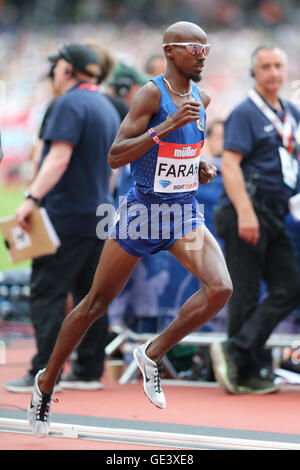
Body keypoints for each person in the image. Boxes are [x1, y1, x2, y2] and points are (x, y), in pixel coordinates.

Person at [27, 21, 232, 438]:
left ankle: (152, 353)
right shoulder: (150, 94)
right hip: (142, 213)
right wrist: (165, 127)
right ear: (171, 51)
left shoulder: (202, 98)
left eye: (206, 49)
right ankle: (46, 382)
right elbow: (116, 156)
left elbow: (189, 153)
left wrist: (201, 165)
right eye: (194, 47)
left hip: (182, 214)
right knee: (94, 304)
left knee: (221, 288)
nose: (202, 55)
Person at [3, 43, 120, 394]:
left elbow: (57, 158)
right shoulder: (107, 105)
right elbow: (113, 168)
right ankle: (87, 369)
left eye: (56, 67)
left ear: (67, 69)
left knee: (48, 292)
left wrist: (31, 199)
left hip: (66, 213)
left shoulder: (68, 103)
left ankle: (43, 370)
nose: (53, 73)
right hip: (100, 212)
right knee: (92, 295)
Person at [210, 45, 300, 395]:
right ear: (254, 72)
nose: (273, 72)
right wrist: (246, 212)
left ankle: (238, 353)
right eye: (266, 66)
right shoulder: (244, 113)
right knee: (245, 294)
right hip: (247, 212)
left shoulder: (291, 111)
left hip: (275, 214)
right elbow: (230, 164)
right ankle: (242, 371)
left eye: (278, 65)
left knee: (289, 287)